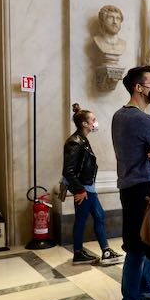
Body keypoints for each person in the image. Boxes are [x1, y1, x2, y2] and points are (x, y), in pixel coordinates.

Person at [112, 66, 150, 300]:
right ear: (138, 87)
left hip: (130, 186)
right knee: (138, 245)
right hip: (142, 187)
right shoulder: (141, 119)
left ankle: (144, 292)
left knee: (143, 242)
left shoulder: (119, 116)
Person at [63, 104, 123, 266]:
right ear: (85, 123)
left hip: (88, 187)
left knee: (99, 216)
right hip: (83, 189)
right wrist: (80, 190)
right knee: (84, 219)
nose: (95, 123)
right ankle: (79, 253)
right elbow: (68, 170)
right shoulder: (75, 142)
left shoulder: (82, 140)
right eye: (93, 120)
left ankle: (105, 251)